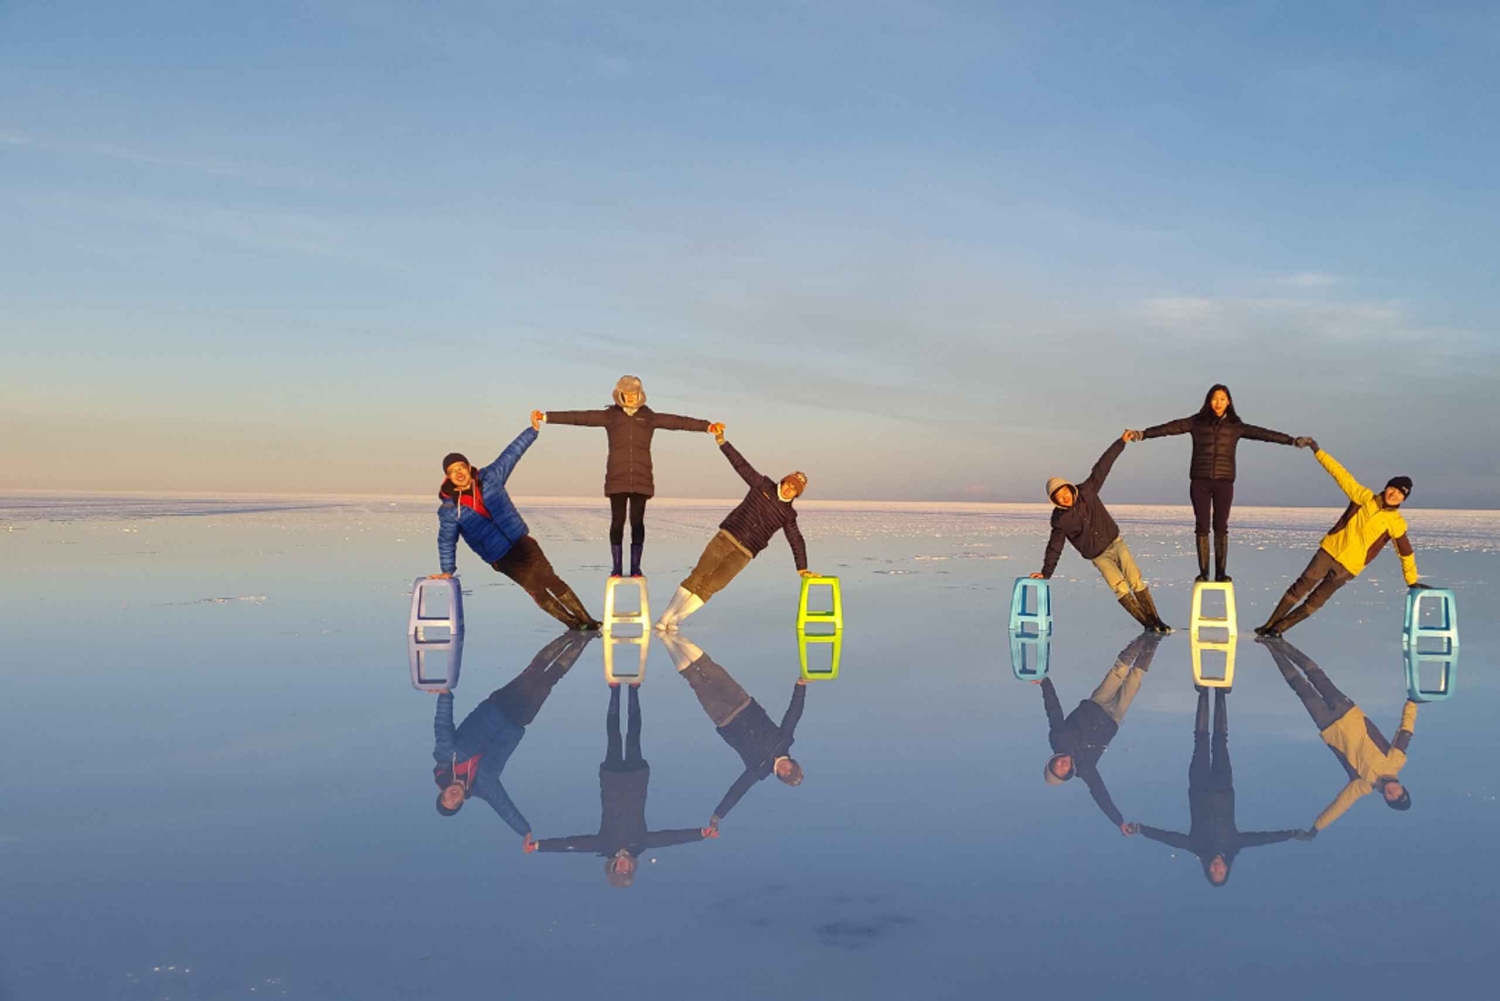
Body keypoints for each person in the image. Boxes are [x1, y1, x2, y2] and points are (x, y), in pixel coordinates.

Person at [536, 375, 723, 578]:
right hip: (617, 477)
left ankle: (635, 567)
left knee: (637, 522)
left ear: (639, 395)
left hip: (641, 478)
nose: (631, 398)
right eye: (628, 394)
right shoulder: (611, 416)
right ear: (620, 394)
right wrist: (546, 417)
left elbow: (677, 421)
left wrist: (707, 426)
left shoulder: (648, 417)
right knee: (617, 522)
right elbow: (581, 417)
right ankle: (616, 567)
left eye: (634, 394)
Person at [529, 685, 716, 886]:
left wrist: (539, 846)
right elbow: (670, 838)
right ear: (632, 867)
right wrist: (700, 834)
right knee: (634, 734)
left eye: (620, 869)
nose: (624, 866)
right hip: (636, 778)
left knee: (614, 735)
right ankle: (634, 691)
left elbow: (571, 844)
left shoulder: (604, 844)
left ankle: (615, 691)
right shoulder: (641, 844)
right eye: (627, 870)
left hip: (612, 778)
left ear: (613, 865)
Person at [430, 414, 600, 630]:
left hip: (522, 541)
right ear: (448, 478)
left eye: (460, 467)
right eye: (452, 472)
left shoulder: (491, 477)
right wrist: (447, 570)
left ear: (468, 466)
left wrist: (532, 431)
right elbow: (446, 540)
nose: (458, 473)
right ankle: (572, 624)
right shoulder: (449, 510)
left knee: (549, 578)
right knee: (535, 588)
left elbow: (511, 453)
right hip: (500, 556)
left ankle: (587, 621)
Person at [1124, 384, 1310, 582]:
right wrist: (1143, 434)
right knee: (1202, 525)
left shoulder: (1236, 426)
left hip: (1224, 482)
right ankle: (1204, 572)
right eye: (1214, 399)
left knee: (1221, 525)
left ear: (1228, 401)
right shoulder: (1196, 422)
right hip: (1200, 481)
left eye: (1222, 399)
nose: (1218, 403)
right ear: (1208, 401)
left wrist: (1291, 440)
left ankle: (1221, 573)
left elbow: (1263, 434)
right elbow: (1170, 427)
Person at [1126, 689, 1307, 887]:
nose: (1216, 869)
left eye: (1213, 872)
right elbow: (1263, 838)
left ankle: (1203, 693)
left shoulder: (1196, 847)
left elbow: (1170, 838)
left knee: (1201, 740)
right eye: (1220, 872)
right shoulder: (1234, 845)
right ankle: (1220, 694)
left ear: (1207, 870)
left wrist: (1142, 829)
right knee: (1221, 741)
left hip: (1199, 787)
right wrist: (1290, 834)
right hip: (1223, 789)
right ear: (1226, 869)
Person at [430, 632, 592, 848]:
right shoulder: (484, 787)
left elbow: (442, 725)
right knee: (547, 682)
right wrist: (524, 831)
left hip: (496, 708)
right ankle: (586, 638)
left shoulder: (446, 756)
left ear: (442, 792)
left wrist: (444, 695)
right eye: (454, 803)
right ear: (461, 802)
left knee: (533, 673)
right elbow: (504, 807)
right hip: (517, 723)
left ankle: (571, 635)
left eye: (446, 799)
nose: (452, 798)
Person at [1255, 444, 1427, 637]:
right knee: (1300, 587)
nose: (1394, 494)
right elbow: (1340, 473)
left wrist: (1411, 580)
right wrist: (1317, 451)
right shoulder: (1362, 497)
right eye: (1393, 488)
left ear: (1403, 499)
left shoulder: (1396, 523)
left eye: (1400, 494)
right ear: (1387, 487)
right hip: (1328, 552)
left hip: (1349, 567)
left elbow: (1406, 553)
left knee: (1316, 601)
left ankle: (1280, 628)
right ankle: (1268, 624)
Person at [655, 430, 815, 630]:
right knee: (698, 576)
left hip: (744, 553)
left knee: (713, 586)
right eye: (789, 484)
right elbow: (741, 465)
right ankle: (665, 618)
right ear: (783, 481)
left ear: (797, 494)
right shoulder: (762, 485)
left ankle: (677, 619)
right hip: (726, 538)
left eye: (794, 489)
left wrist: (802, 568)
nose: (789, 489)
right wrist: (722, 442)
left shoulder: (788, 514)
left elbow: (796, 539)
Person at [1263, 638, 1415, 836]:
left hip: (1328, 726)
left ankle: (1269, 647)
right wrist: (1412, 703)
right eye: (1398, 794)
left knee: (1301, 688)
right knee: (1316, 675)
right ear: (1403, 788)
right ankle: (1278, 641)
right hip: (1349, 712)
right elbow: (1406, 731)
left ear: (1385, 799)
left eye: (1391, 798)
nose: (1393, 793)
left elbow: (1340, 806)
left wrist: (1316, 828)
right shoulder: (1396, 760)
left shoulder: (1361, 785)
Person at [659, 635, 806, 831]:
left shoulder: (758, 771)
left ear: (780, 776)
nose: (786, 770)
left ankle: (665, 640)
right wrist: (800, 687)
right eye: (791, 769)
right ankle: (673, 634)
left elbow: (737, 791)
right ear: (794, 763)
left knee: (695, 679)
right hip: (742, 702)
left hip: (723, 718)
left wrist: (717, 816)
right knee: (709, 668)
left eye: (785, 775)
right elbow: (793, 714)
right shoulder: (785, 740)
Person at [1031, 434, 1170, 631]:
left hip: (1115, 542)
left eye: (1064, 492)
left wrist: (1121, 442)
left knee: (1135, 580)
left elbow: (1103, 466)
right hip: (1098, 556)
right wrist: (1046, 573)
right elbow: (1055, 546)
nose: (1064, 498)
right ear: (1054, 500)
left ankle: (1157, 621)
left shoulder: (1087, 491)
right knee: (1119, 588)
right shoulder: (1060, 520)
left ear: (1069, 489)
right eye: (1058, 497)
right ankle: (1147, 624)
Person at [1039, 633, 1160, 833]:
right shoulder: (1085, 769)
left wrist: (1045, 683)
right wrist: (1119, 821)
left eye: (1056, 765)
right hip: (1113, 719)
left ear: (1052, 760)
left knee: (1117, 673)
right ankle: (1154, 641)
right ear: (1068, 773)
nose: (1063, 765)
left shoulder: (1058, 738)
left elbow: (1053, 710)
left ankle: (1141, 639)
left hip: (1096, 705)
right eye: (1063, 771)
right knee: (1135, 680)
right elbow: (1099, 794)